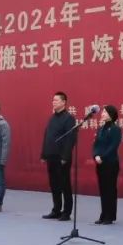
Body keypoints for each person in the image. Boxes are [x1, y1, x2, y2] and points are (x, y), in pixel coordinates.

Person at [41, 92, 77, 221]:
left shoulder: (69, 118)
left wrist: (65, 157)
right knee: (54, 185)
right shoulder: (52, 118)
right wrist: (43, 154)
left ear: (63, 102)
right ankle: (56, 210)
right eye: (53, 100)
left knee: (64, 185)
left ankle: (66, 212)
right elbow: (47, 136)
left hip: (62, 158)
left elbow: (70, 139)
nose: (53, 102)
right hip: (51, 156)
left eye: (56, 100)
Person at [93, 105, 122, 225]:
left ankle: (110, 216)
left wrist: (102, 157)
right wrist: (95, 155)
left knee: (110, 189)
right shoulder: (101, 129)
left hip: (110, 162)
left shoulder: (115, 129)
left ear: (111, 115)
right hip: (100, 163)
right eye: (103, 112)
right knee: (102, 189)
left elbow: (113, 146)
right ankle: (103, 214)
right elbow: (96, 144)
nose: (102, 114)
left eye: (105, 112)